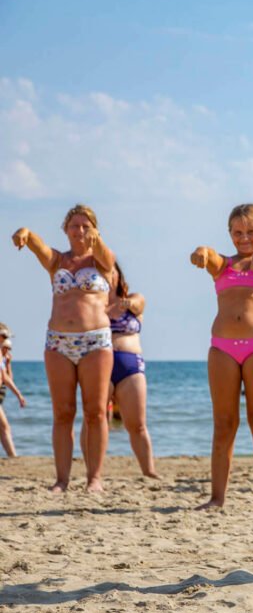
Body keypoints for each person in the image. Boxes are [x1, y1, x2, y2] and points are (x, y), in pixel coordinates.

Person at [12, 205, 115, 492]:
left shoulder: (101, 260)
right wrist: (25, 233)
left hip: (95, 341)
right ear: (66, 230)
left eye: (85, 225)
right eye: (74, 225)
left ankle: (94, 478)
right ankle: (61, 479)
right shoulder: (57, 261)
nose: (79, 230)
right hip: (58, 342)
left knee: (95, 412)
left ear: (95, 230)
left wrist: (96, 240)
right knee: (63, 412)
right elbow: (39, 247)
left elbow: (107, 259)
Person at [190, 203, 253, 510]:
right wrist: (202, 251)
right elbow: (209, 255)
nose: (244, 238)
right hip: (222, 350)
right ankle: (217, 498)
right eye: (237, 232)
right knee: (224, 423)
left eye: (251, 232)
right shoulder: (224, 266)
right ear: (229, 234)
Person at [105, 261, 158, 478]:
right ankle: (93, 472)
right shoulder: (93, 306)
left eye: (111, 272)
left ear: (118, 275)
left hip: (130, 364)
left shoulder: (134, 298)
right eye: (103, 273)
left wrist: (125, 302)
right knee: (94, 420)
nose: (108, 276)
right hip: (100, 364)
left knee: (137, 424)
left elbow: (138, 304)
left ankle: (149, 471)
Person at [1, 334, 27, 457]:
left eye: (9, 348)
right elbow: (5, 378)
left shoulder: (2, 360)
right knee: (4, 427)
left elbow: (8, 378)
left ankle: (12, 456)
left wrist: (8, 364)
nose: (7, 351)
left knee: (4, 427)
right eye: (5, 347)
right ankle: (13, 456)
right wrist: (19, 395)